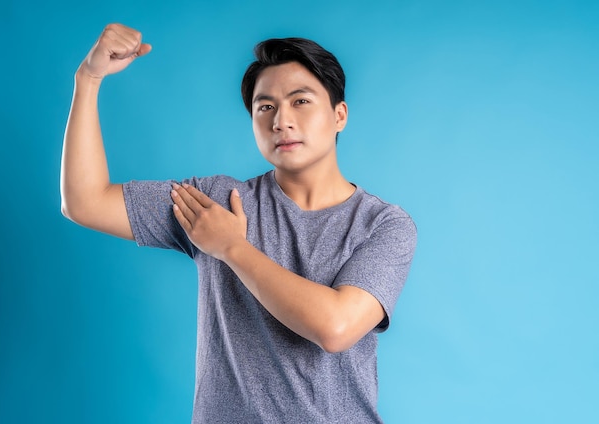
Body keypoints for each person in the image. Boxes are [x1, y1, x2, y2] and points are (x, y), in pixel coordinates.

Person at [61, 23, 417, 423]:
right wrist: (88, 79)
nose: (281, 120)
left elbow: (335, 328)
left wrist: (232, 248)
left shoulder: (383, 224)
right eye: (265, 107)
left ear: (339, 115)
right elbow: (85, 202)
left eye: (300, 101)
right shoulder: (219, 202)